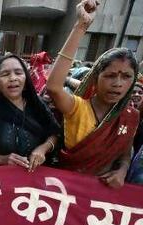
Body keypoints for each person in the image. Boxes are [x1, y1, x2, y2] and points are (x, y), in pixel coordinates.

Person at [46, 0, 139, 188]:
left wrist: (122, 170)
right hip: (64, 190)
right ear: (96, 78)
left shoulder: (130, 116)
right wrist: (80, 26)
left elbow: (125, 151)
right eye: (110, 76)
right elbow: (54, 87)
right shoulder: (77, 108)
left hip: (101, 197)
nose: (118, 84)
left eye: (126, 77)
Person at [0, 54, 59, 172]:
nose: (13, 78)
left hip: (35, 182)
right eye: (5, 74)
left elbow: (55, 133)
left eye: (18, 73)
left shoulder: (37, 104)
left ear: (26, 78)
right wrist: (0, 159)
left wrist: (43, 149)